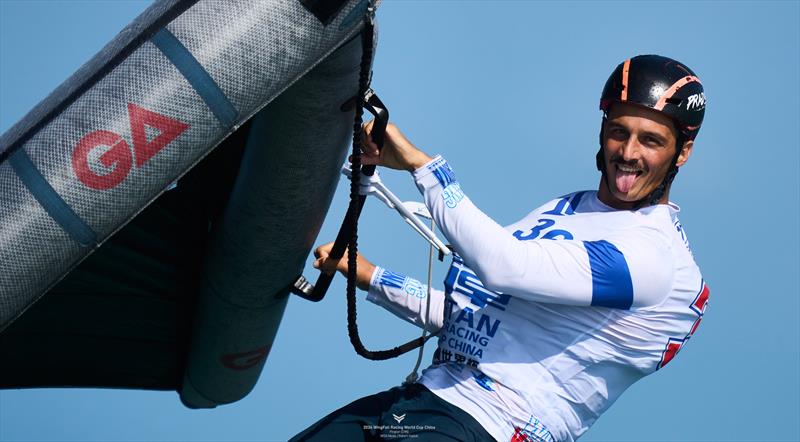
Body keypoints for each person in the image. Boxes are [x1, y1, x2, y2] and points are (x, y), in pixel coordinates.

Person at [291, 54, 710, 442]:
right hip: (425, 403)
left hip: (492, 425)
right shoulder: (571, 208)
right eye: (619, 132)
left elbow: (504, 267)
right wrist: (372, 276)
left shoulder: (653, 257)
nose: (629, 153)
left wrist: (422, 166)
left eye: (651, 141)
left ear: (683, 152)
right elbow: (470, 319)